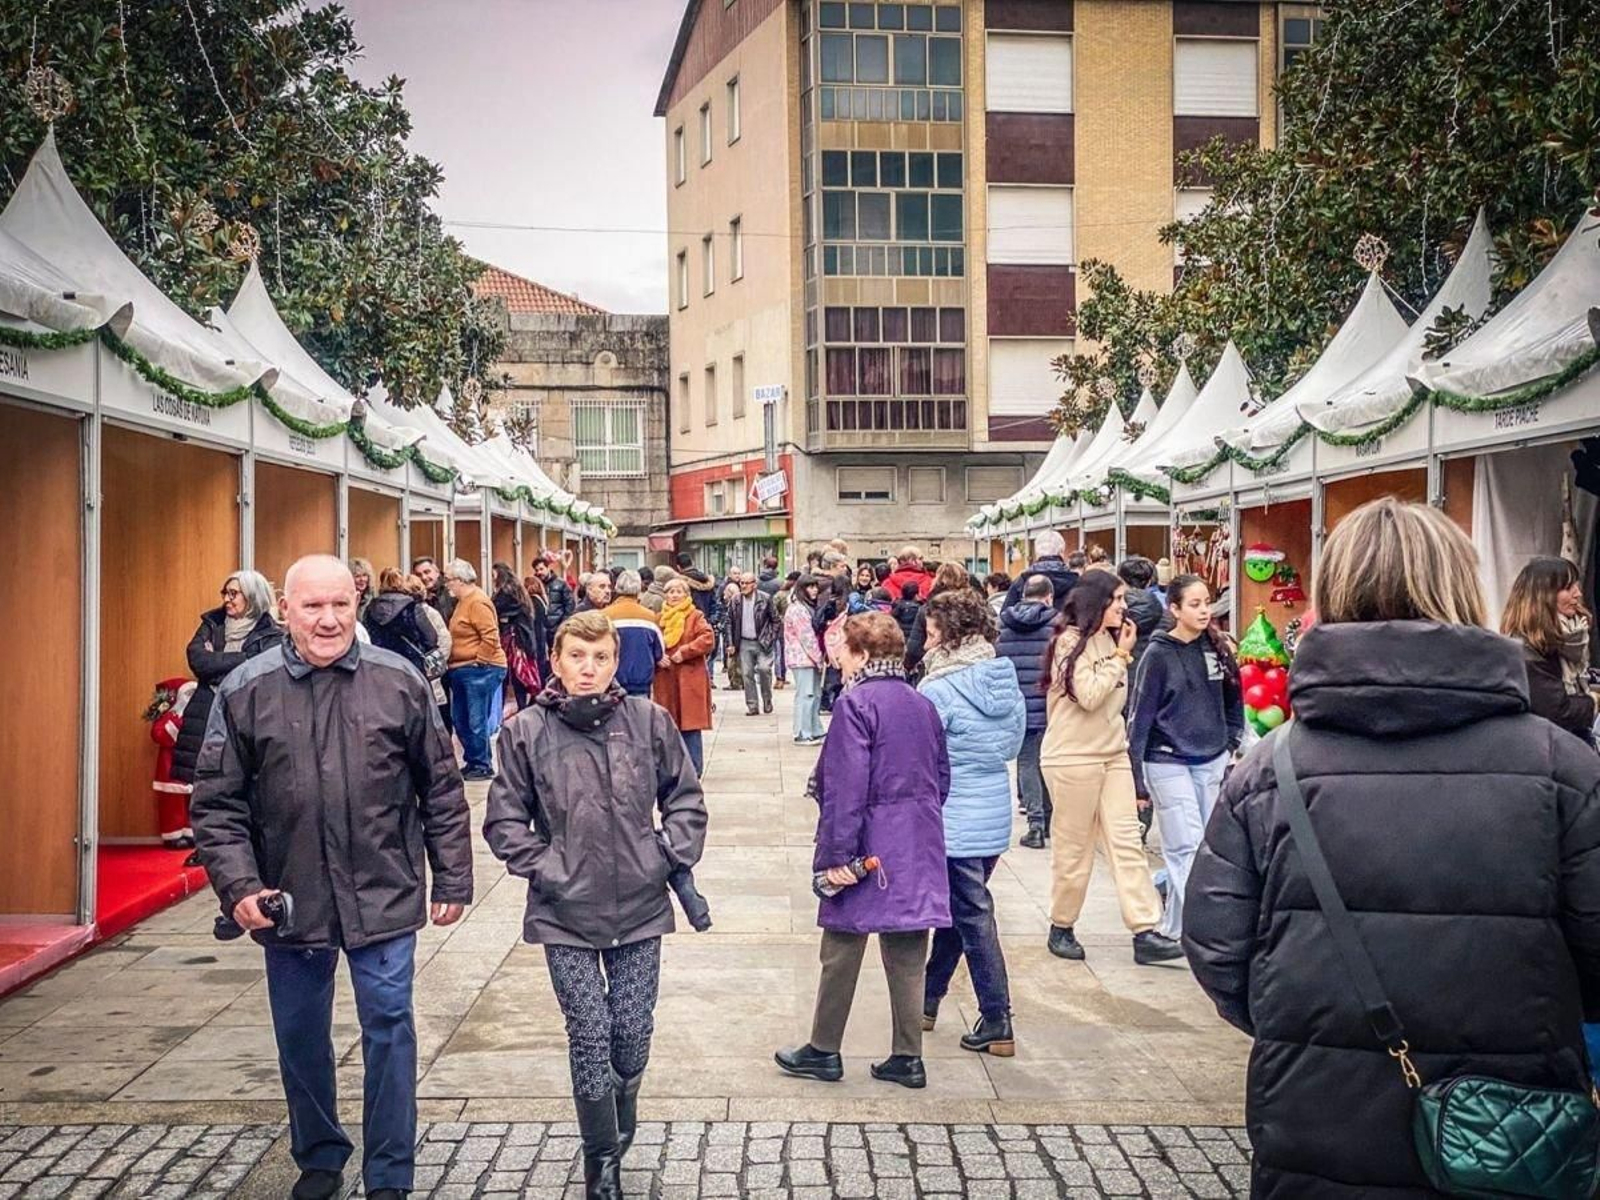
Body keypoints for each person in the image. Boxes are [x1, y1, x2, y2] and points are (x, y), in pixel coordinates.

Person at [1185, 498, 1600, 1196]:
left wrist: (1307, 1014)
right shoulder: (1563, 769)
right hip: (1511, 1120)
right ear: (1465, 590)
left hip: (1318, 1115)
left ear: (1333, 594)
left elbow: (1217, 947)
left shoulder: (1270, 770)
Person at [192, 555, 472, 1200]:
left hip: (384, 889)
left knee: (390, 1026)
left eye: (340, 604)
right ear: (284, 610)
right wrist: (238, 889)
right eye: (312, 606)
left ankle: (390, 1174)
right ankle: (319, 1158)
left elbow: (441, 789)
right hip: (287, 897)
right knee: (300, 1036)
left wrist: (452, 878)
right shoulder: (245, 690)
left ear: (357, 603)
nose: (328, 619)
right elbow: (216, 804)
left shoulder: (397, 681)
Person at [483, 610, 706, 1199]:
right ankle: (601, 1157)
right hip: (564, 911)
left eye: (601, 657)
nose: (589, 669)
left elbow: (684, 797)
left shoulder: (647, 721)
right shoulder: (526, 731)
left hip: (639, 903)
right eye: (577, 657)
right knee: (588, 1030)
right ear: (556, 660)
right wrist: (548, 867)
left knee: (631, 1029)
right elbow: (504, 821)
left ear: (615, 662)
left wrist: (667, 854)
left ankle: (621, 1109)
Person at [775, 612, 951, 1089]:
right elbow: (942, 777)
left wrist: (833, 858)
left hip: (869, 840)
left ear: (862, 655)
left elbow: (844, 791)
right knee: (909, 949)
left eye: (845, 650)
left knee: (842, 947)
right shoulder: (921, 702)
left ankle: (824, 1048)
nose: (838, 659)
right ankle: (907, 1055)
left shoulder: (856, 705)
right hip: (918, 838)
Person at [1040, 570, 1183, 965]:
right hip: (1072, 758)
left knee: (1127, 842)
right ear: (1096, 602)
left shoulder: (1110, 639)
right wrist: (1121, 656)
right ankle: (1062, 924)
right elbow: (1087, 695)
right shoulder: (1067, 643)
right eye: (1117, 599)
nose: (1124, 605)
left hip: (1112, 755)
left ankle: (1145, 929)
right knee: (1074, 848)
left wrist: (1119, 651)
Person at [917, 590, 1025, 1056]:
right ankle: (928, 997)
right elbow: (1011, 746)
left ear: (948, 636)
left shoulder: (937, 689)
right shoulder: (1003, 678)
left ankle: (997, 1016)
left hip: (953, 811)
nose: (923, 642)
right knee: (961, 912)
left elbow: (922, 754)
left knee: (972, 914)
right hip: (993, 809)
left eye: (931, 632)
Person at [1128, 575, 1242, 940]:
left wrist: (1231, 740)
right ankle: (1201, 928)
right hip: (1166, 761)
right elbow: (1140, 715)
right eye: (1194, 604)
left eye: (1207, 602)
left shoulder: (1217, 647)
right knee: (1184, 846)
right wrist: (1137, 777)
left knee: (1204, 845)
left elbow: (1233, 697)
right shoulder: (1158, 654)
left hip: (1211, 758)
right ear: (1174, 609)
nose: (1205, 610)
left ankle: (1174, 928)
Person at [170, 571, 282, 855]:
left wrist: (221, 660)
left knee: (241, 773)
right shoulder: (212, 622)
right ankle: (203, 843)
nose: (227, 600)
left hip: (247, 709)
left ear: (252, 597)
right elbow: (199, 661)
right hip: (206, 708)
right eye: (225, 592)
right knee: (204, 774)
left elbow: (262, 665)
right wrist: (242, 659)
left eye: (234, 594)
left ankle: (242, 839)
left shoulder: (269, 631)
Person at [1502, 555, 1598, 746]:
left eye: (1577, 586)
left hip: (1568, 742)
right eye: (1568, 587)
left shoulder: (1566, 639)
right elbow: (1556, 711)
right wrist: (1593, 701)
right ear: (1543, 595)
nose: (1578, 594)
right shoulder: (1527, 650)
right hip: (1547, 750)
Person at [997, 573, 1058, 849]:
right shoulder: (1058, 625)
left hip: (1018, 704)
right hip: (1050, 704)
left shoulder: (1004, 624)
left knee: (1027, 763)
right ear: (1049, 597)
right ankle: (1049, 816)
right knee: (1051, 761)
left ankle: (1035, 824)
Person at [443, 560, 507, 781]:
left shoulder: (477, 602)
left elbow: (490, 635)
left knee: (475, 720)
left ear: (460, 580)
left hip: (479, 669)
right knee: (461, 719)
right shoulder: (463, 601)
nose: (447, 585)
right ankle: (474, 761)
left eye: (449, 580)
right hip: (463, 668)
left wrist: (480, 661)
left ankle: (481, 765)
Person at [653, 577, 715, 775]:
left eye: (679, 591)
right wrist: (657, 656)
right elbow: (651, 642)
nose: (674, 595)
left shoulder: (695, 616)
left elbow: (707, 639)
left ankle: (694, 768)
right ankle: (672, 768)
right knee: (668, 724)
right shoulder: (658, 618)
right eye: (670, 591)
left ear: (686, 595)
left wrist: (686, 651)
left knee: (690, 725)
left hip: (690, 677)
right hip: (666, 677)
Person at [363, 567, 440, 678]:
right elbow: (431, 638)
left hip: (380, 664)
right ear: (402, 582)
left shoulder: (370, 608)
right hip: (411, 665)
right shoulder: (412, 607)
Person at [601, 570, 665, 698]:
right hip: (641, 681)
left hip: (612, 681)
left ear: (617, 588)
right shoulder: (650, 617)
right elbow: (660, 653)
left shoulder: (604, 616)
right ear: (639, 589)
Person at [403, 573, 452, 730]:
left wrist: (431, 666)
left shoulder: (429, 613)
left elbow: (444, 641)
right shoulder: (424, 612)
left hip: (431, 675)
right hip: (430, 672)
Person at [492, 562, 542, 711]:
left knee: (509, 676)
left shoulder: (506, 593)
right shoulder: (518, 591)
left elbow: (495, 609)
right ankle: (523, 707)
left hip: (513, 640)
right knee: (518, 677)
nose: (493, 579)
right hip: (522, 639)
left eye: (494, 575)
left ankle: (512, 709)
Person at [905, 562, 970, 676]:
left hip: (934, 669)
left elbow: (913, 650)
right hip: (969, 668)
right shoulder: (975, 609)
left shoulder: (927, 610)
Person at [784, 575, 827, 744]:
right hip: (802, 658)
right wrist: (819, 658)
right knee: (806, 695)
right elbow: (807, 637)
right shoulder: (798, 610)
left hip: (807, 658)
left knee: (814, 694)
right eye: (810, 587)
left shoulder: (805, 607)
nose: (814, 590)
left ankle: (814, 729)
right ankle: (802, 732)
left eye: (815, 586)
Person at [728, 571, 778, 716]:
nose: (743, 586)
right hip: (744, 642)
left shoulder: (765, 599)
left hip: (762, 641)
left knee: (764, 670)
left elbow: (776, 620)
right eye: (741, 583)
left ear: (754, 585)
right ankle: (752, 706)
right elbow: (729, 622)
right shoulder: (735, 600)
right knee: (747, 674)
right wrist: (730, 643)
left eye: (746, 583)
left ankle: (767, 699)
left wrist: (770, 638)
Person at [1003, 530, 1080, 610]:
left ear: (1037, 553)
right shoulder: (1076, 581)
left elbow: (1006, 616)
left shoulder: (1021, 581)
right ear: (1061, 552)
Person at [533, 555, 574, 636]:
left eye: (541, 569)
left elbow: (570, 606)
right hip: (541, 630)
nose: (539, 572)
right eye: (536, 570)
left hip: (557, 629)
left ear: (548, 568)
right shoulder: (534, 586)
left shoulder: (561, 584)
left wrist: (562, 626)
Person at [674, 552, 719, 625]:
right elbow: (714, 605)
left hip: (689, 626)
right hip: (706, 625)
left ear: (678, 567)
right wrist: (710, 622)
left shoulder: (680, 583)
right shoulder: (706, 580)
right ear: (692, 563)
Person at [412, 556, 455, 624]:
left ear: (437, 572)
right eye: (418, 575)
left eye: (427, 572)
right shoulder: (414, 597)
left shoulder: (451, 592)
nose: (424, 577)